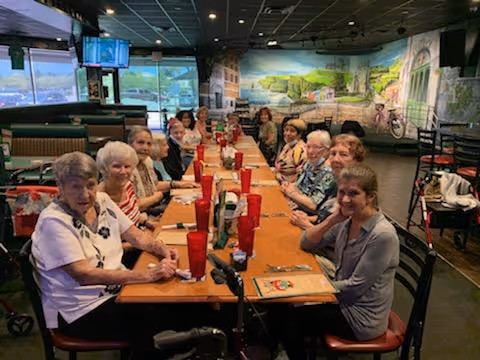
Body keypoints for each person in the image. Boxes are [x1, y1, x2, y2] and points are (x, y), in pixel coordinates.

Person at [30, 151, 208, 358]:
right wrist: (149, 276)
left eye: (90, 185)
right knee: (165, 315)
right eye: (75, 187)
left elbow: (135, 236)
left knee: (183, 304)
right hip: (80, 311)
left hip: (116, 291)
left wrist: (162, 249)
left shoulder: (103, 201)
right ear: (60, 188)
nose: (85, 194)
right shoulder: (54, 221)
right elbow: (84, 275)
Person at [271, 164, 399, 360]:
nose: (345, 199)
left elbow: (355, 287)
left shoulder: (382, 235)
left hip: (359, 317)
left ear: (370, 196)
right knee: (280, 304)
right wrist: (332, 219)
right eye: (341, 192)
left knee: (290, 320)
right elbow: (306, 242)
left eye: (353, 193)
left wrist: (307, 287)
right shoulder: (347, 220)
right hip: (341, 301)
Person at [290, 133, 366, 230]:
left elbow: (338, 239)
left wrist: (306, 224)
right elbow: (326, 217)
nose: (335, 159)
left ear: (357, 160)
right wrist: (307, 218)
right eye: (333, 153)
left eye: (343, 155)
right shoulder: (338, 183)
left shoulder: (357, 191)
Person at [128, 126, 195, 215]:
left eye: (149, 144)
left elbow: (154, 185)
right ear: (129, 144)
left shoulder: (146, 162)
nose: (145, 147)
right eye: (140, 142)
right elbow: (131, 206)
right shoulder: (125, 168)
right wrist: (158, 196)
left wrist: (178, 184)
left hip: (151, 211)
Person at [281, 130, 334, 213]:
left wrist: (291, 193)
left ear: (327, 150)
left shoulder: (329, 172)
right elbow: (298, 185)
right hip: (294, 204)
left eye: (316, 147)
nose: (310, 151)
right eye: (308, 147)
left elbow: (313, 205)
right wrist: (288, 185)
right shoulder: (310, 163)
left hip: (306, 215)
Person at [274, 118, 307, 183]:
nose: (288, 133)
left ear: (300, 134)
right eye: (286, 130)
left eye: (292, 131)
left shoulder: (300, 150)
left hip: (287, 185)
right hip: (278, 179)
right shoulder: (287, 146)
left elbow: (301, 175)